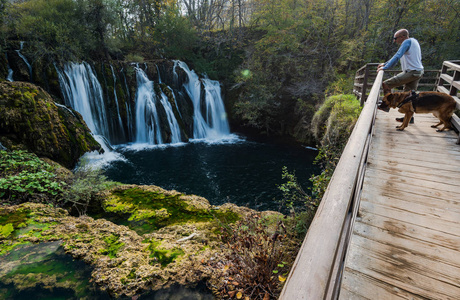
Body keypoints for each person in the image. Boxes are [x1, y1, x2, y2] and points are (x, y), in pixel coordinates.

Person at [377, 29, 424, 123]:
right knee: (409, 96)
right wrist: (385, 64)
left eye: (395, 38)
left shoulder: (406, 42)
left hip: (412, 72)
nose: (394, 40)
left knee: (386, 84)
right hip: (418, 71)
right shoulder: (414, 41)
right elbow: (398, 55)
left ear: (402, 37)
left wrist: (385, 67)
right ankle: (410, 118)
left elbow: (397, 56)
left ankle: (385, 106)